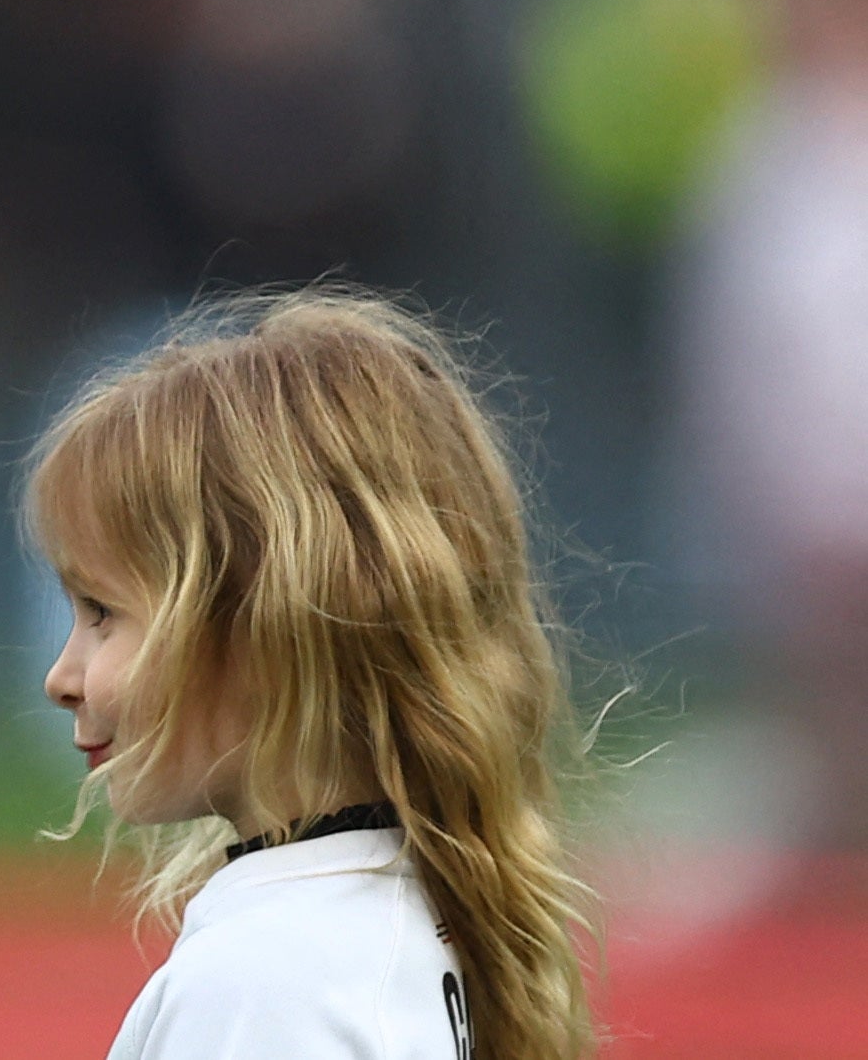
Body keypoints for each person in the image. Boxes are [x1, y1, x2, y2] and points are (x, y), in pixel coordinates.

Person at [29, 290, 593, 1060]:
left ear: (272, 628)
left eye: (102, 612)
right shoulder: (401, 914)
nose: (62, 675)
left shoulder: (264, 984)